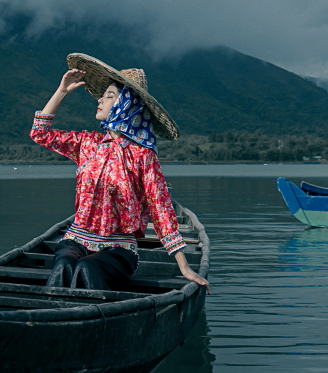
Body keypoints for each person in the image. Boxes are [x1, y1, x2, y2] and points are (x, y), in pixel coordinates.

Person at [30, 54, 210, 292]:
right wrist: (62, 91)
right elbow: (40, 134)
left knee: (86, 268)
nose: (100, 101)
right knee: (64, 263)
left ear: (127, 105)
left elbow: (161, 210)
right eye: (102, 95)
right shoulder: (87, 144)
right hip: (76, 239)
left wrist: (185, 268)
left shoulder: (142, 156)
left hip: (119, 248)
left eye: (109, 96)